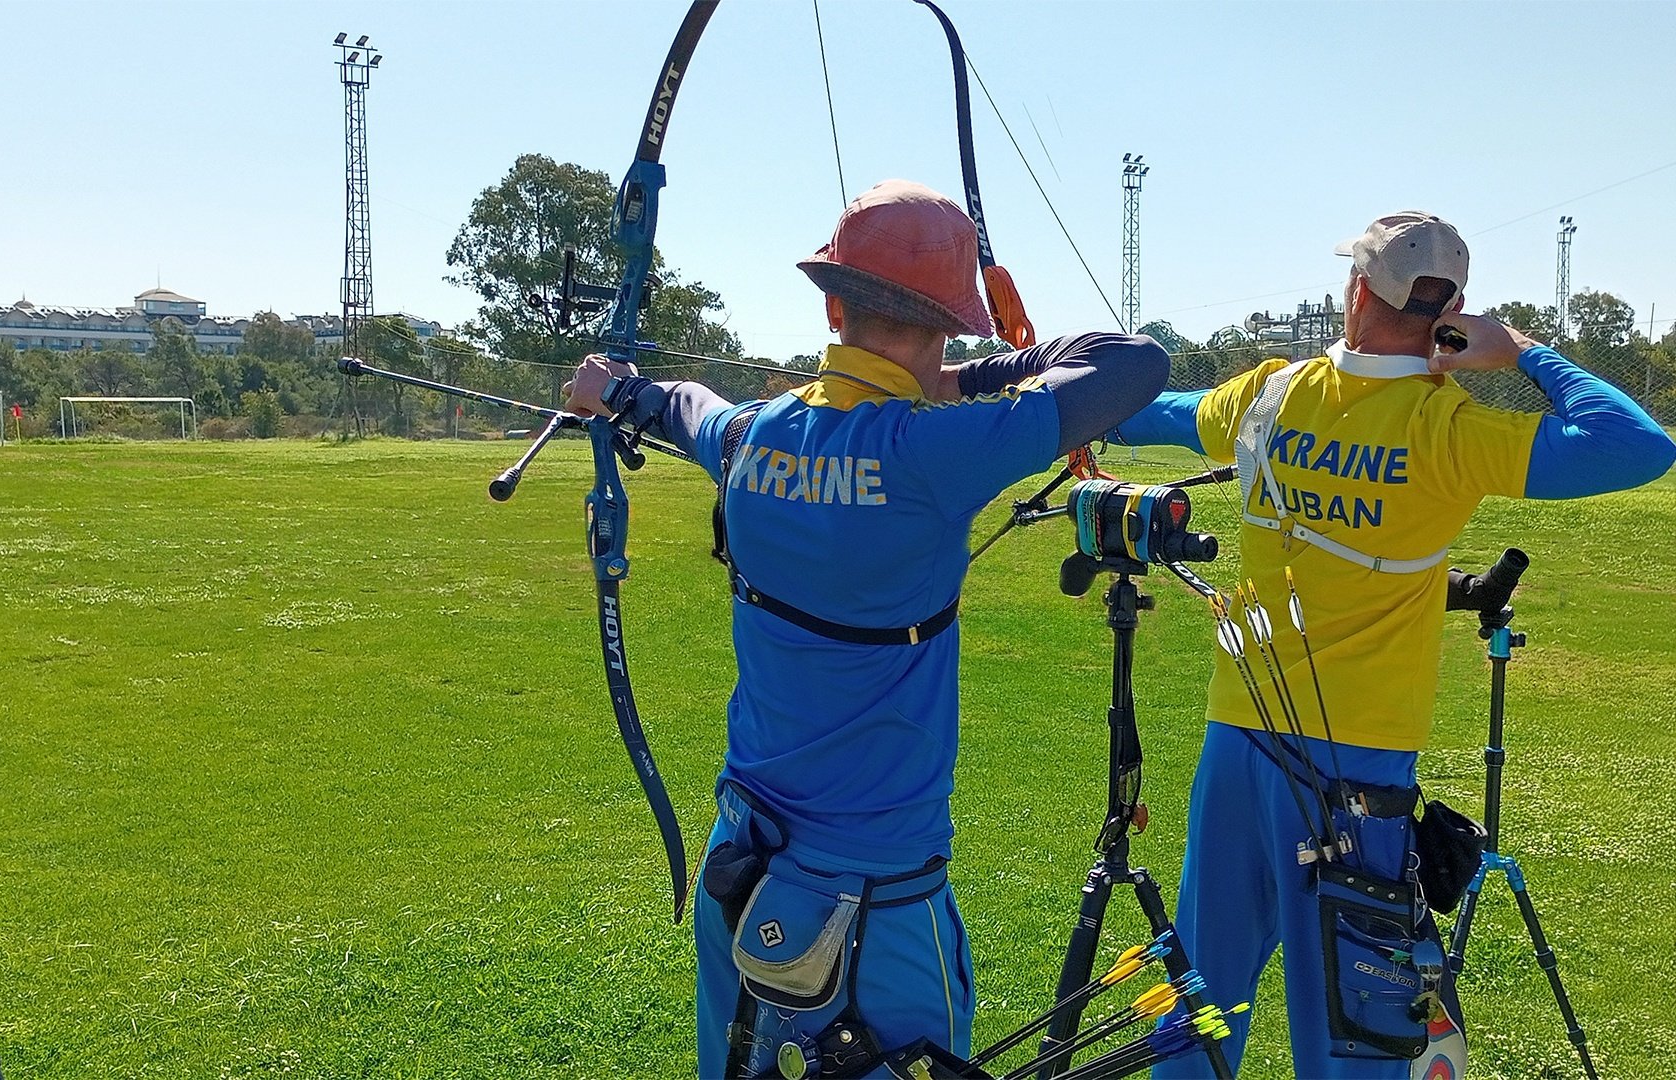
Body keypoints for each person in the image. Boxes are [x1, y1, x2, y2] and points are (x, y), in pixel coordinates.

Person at [563, 179, 1171, 1078]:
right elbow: (1132, 363)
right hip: (880, 901)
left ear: (834, 304)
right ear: (951, 324)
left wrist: (622, 391)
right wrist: (971, 375)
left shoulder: (750, 439)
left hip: (744, 867)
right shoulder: (934, 452)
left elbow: (688, 404)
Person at [1111, 211, 1676, 1078]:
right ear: (1450, 309)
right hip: (1360, 765)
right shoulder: (1445, 430)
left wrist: (1060, 407)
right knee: (1356, 1014)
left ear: (1355, 291)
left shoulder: (1273, 392)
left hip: (1241, 739)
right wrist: (1523, 350)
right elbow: (1636, 447)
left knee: (1204, 989)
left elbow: (1170, 414)